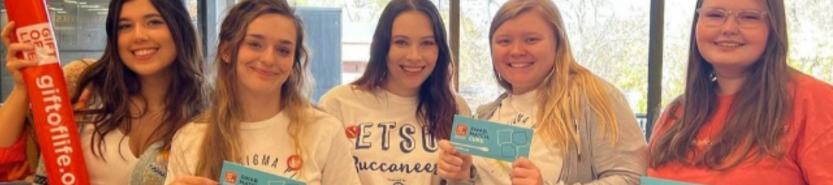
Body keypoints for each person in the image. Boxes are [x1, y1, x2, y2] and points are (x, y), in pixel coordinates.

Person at [0, 0, 209, 184]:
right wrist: (24, 88)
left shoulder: (209, 113)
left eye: (153, 22)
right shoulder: (81, 85)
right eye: (124, 26)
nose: (138, 36)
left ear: (180, 29)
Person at [437, 0, 648, 184]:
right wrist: (462, 176)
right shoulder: (486, 114)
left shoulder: (594, 97)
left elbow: (631, 178)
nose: (517, 50)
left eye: (531, 39)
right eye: (504, 41)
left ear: (558, 43)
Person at [164, 0, 360, 184]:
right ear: (227, 52)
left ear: (293, 63)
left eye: (283, 50)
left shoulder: (324, 132)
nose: (268, 59)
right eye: (255, 44)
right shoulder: (190, 139)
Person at [647, 0, 833, 184]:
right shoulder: (676, 113)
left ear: (773, 27)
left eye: (749, 17)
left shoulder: (817, 102)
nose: (729, 28)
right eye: (715, 15)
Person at [317, 0, 472, 184]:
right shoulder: (338, 104)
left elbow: (465, 179)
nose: (414, 56)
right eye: (401, 42)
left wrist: (462, 175)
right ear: (383, 47)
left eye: (427, 43)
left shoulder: (457, 108)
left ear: (439, 50)